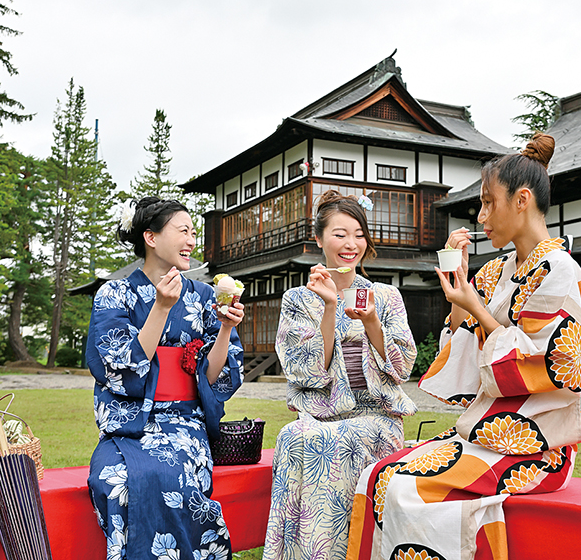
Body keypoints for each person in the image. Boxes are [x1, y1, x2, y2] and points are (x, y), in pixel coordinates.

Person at [346, 134, 581, 560]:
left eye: (490, 202)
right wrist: (462, 289)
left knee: (408, 487)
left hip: (539, 444)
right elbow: (464, 347)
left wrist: (477, 306)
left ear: (522, 199)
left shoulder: (562, 271)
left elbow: (552, 365)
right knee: (377, 478)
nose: (482, 215)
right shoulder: (496, 270)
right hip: (487, 432)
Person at [263, 190, 418, 560]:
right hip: (322, 414)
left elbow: (403, 367)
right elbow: (306, 371)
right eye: (340, 234)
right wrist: (330, 307)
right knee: (292, 435)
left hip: (376, 417)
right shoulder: (298, 299)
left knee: (328, 442)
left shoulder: (385, 296)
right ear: (319, 239)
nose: (351, 244)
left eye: (359, 234)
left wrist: (373, 324)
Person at [86, 197, 244, 560]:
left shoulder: (205, 297)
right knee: (112, 481)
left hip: (184, 421)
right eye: (183, 231)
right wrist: (160, 307)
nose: (191, 240)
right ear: (151, 237)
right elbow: (117, 366)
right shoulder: (115, 293)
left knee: (179, 478)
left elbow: (214, 376)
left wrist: (224, 329)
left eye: (193, 232)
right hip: (130, 424)